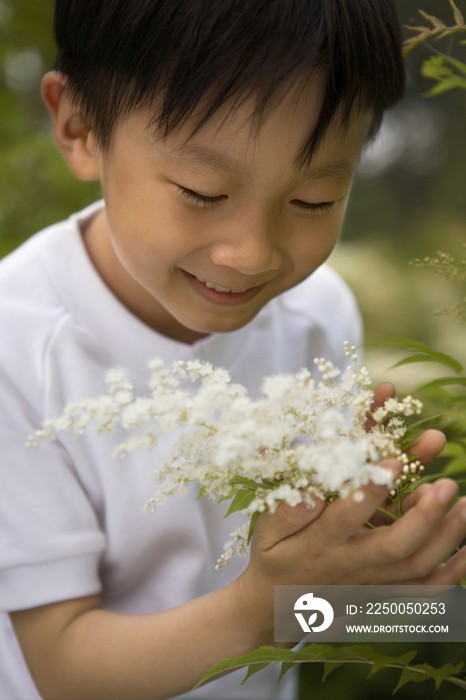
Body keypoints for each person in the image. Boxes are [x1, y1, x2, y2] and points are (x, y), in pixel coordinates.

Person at [1, 1, 465, 699]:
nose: (252, 254)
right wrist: (266, 603)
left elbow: (305, 618)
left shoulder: (315, 312)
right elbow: (64, 669)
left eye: (313, 200)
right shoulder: (19, 348)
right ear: (80, 127)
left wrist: (412, 595)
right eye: (202, 191)